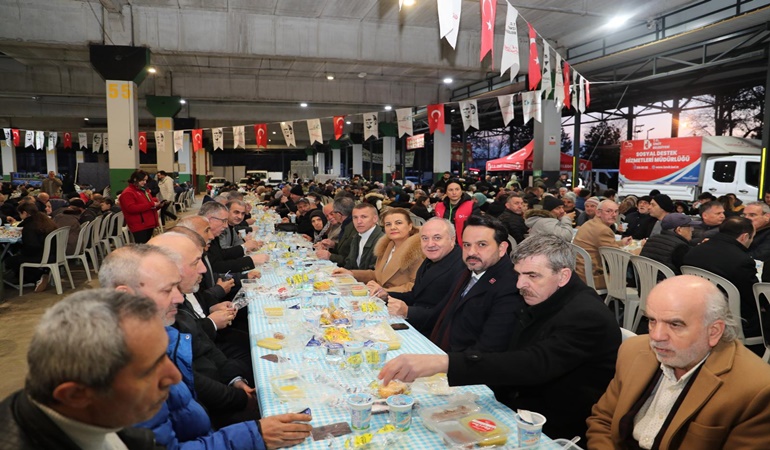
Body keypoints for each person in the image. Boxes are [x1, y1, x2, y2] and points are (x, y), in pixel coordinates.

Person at [381, 234, 620, 441]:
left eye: (532, 276)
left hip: (554, 426)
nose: (520, 284)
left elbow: (532, 364)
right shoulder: (545, 295)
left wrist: (444, 363)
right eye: (518, 274)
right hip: (516, 402)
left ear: (564, 276)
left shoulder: (587, 315)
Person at [586, 276, 770, 449]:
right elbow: (603, 420)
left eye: (675, 324)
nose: (656, 336)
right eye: (651, 320)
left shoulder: (756, 390)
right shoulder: (633, 351)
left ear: (714, 331)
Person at [0, 289, 182, 450]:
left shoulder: (99, 418)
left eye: (164, 355)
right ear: (76, 395)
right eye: (149, 370)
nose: (175, 376)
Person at [426, 215, 520, 352]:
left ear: (502, 248)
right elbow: (439, 314)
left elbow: (489, 348)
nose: (471, 252)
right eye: (466, 245)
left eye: (481, 245)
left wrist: (443, 364)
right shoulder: (469, 271)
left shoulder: (510, 286)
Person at [682, 216, 761, 345]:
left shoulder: (695, 250)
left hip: (695, 307)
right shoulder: (741, 260)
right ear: (744, 237)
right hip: (733, 318)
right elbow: (753, 298)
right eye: (752, 237)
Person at [386, 217, 472, 332]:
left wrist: (408, 312)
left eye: (437, 238)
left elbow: (447, 314)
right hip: (419, 325)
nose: (430, 244)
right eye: (425, 238)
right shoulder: (431, 259)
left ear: (452, 240)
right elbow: (416, 295)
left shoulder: (462, 267)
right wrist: (386, 295)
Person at [334, 207, 424, 298]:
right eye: (388, 224)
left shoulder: (417, 250)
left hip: (399, 301)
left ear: (410, 226)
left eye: (398, 223)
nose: (393, 227)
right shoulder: (387, 246)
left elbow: (414, 286)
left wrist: (385, 291)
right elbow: (378, 275)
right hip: (379, 296)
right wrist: (351, 273)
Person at [573, 200, 633, 289]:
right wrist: (637, 251)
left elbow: (602, 245)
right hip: (592, 277)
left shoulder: (590, 223)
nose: (614, 215)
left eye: (616, 211)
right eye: (608, 211)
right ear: (598, 213)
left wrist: (621, 243)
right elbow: (617, 257)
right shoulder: (603, 230)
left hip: (579, 272)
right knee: (631, 279)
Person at [199, 201, 267, 274]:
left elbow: (220, 256)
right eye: (223, 221)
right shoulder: (201, 238)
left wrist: (246, 246)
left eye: (243, 213)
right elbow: (216, 265)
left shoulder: (226, 229)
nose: (225, 226)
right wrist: (249, 257)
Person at [6, 202, 58, 292]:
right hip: (53, 253)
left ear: (25, 213)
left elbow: (31, 247)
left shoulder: (29, 226)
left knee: (10, 260)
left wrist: (20, 249)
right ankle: (41, 274)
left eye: (20, 213)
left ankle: (36, 277)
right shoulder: (45, 220)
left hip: (41, 256)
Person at [434, 179, 479, 245]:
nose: (454, 192)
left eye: (457, 189)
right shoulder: (439, 206)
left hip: (464, 245)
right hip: (443, 244)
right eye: (450, 190)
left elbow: (477, 227)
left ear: (462, 191)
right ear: (446, 192)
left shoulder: (472, 206)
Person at [120, 169, 160, 243]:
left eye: (146, 180)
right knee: (142, 249)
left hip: (148, 223)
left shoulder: (143, 190)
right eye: (143, 180)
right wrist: (151, 204)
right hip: (139, 225)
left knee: (146, 247)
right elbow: (131, 208)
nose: (145, 182)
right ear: (135, 179)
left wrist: (157, 205)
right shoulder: (128, 193)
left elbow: (146, 204)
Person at [342, 202, 384, 271]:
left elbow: (375, 271)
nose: (358, 221)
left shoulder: (382, 241)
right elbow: (349, 263)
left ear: (375, 219)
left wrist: (351, 273)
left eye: (364, 217)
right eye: (355, 217)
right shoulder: (356, 237)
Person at [315, 196, 356, 266]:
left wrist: (330, 256)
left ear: (339, 215)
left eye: (332, 213)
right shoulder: (346, 226)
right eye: (327, 216)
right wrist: (333, 245)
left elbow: (351, 260)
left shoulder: (353, 228)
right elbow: (344, 250)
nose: (330, 217)